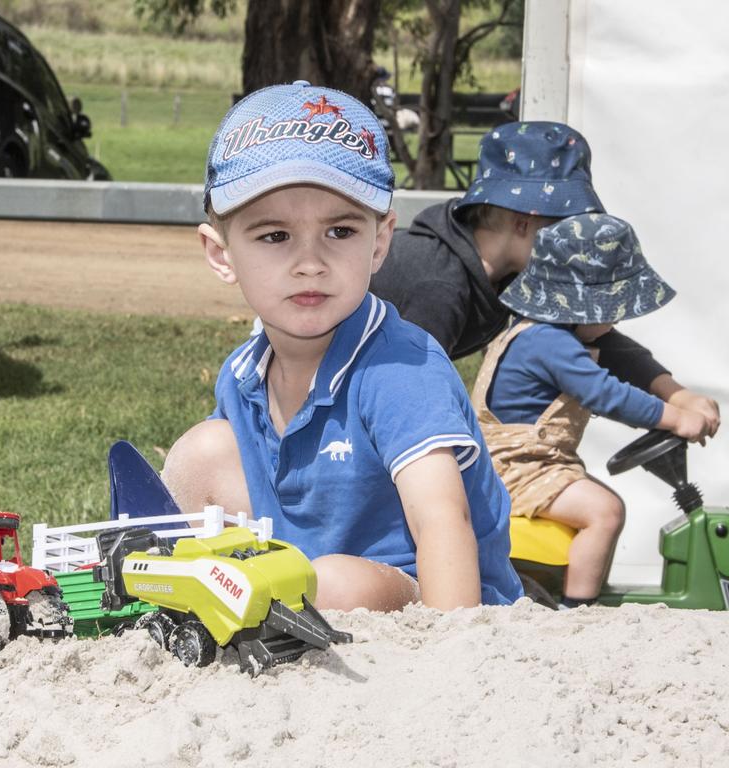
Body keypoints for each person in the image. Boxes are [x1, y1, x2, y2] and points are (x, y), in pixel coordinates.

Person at [161, 80, 523, 613]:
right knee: (204, 450)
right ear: (221, 254)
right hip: (303, 574)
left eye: (340, 232)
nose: (310, 261)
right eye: (275, 236)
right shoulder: (242, 372)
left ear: (379, 242)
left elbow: (443, 520)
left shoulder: (402, 367)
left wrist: (454, 651)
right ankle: (196, 606)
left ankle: (276, 605)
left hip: (420, 589)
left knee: (329, 582)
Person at [369, 121, 720, 437]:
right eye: (565, 228)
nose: (577, 242)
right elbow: (410, 404)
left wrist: (674, 393)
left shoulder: (510, 274)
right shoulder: (439, 285)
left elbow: (592, 334)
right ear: (523, 222)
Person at [471, 214, 712, 608]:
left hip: (538, 464)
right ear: (583, 305)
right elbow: (604, 394)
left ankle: (586, 591)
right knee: (605, 511)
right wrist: (675, 418)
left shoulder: (547, 331)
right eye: (612, 309)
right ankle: (577, 608)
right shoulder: (549, 343)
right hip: (515, 470)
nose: (616, 319)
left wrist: (678, 395)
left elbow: (627, 357)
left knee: (603, 501)